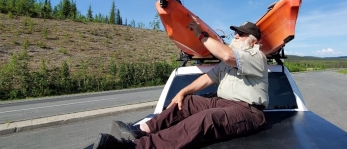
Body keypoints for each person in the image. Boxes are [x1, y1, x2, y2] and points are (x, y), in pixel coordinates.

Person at [93, 19, 269, 149]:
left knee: (207, 118)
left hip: (248, 111)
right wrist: (182, 92)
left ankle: (134, 146)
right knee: (188, 102)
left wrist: (201, 35)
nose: (236, 35)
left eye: (242, 33)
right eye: (237, 32)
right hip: (223, 102)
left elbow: (227, 55)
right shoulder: (228, 62)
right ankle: (140, 130)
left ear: (253, 41)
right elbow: (208, 78)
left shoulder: (257, 56)